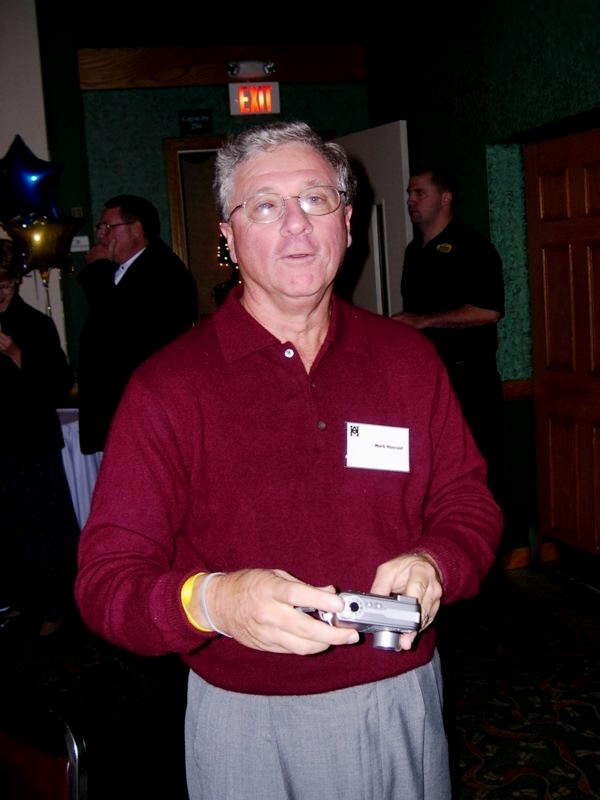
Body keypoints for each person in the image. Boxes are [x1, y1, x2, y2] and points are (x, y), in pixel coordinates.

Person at [75, 121, 503, 800]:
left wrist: (437, 561)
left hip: (401, 697)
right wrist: (213, 601)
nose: (297, 225)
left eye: (315, 200)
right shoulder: (167, 387)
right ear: (228, 236)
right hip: (247, 717)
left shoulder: (408, 361)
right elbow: (106, 582)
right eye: (265, 206)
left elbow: (468, 503)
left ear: (348, 222)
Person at [393, 165, 505, 504]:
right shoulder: (413, 251)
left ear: (445, 198)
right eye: (409, 193)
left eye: (420, 193)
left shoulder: (473, 247)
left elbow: (488, 311)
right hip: (424, 379)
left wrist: (423, 321)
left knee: (475, 474)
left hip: (469, 380)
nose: (410, 200)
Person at [76, 194, 199, 455]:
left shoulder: (162, 272)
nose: (100, 234)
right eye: (100, 227)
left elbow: (118, 327)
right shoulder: (126, 268)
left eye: (108, 227)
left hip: (143, 409)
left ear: (136, 229)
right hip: (122, 408)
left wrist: (97, 270)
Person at [0, 242, 80, 637]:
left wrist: (19, 356)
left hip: (31, 446)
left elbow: (58, 385)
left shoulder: (34, 325)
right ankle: (19, 599)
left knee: (42, 529)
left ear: (17, 282)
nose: (0, 293)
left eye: (5, 285)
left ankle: (54, 605)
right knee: (7, 530)